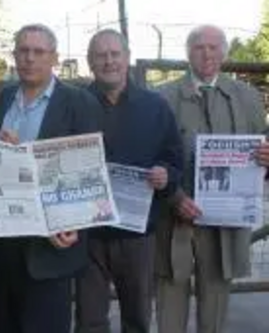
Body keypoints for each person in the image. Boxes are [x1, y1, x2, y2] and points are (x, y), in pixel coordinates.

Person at [0, 23, 100, 333]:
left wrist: (73, 221)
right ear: (15, 55)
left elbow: (90, 173)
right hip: (2, 246)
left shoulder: (79, 103)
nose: (30, 58)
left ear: (54, 58)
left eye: (38, 51)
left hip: (50, 250)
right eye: (23, 50)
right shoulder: (1, 100)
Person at [156, 24, 269, 333]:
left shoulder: (247, 97)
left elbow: (263, 144)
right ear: (187, 53)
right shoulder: (162, 97)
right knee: (170, 293)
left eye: (214, 47)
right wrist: (175, 197)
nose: (206, 53)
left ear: (224, 52)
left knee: (216, 300)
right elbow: (152, 156)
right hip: (175, 216)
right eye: (198, 47)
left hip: (225, 221)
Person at [74, 29, 183, 333]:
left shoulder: (155, 106)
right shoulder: (74, 104)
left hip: (138, 232)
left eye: (115, 54)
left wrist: (165, 174)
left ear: (127, 58)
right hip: (88, 232)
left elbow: (174, 159)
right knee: (88, 320)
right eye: (100, 55)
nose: (109, 61)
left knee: (137, 318)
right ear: (90, 62)